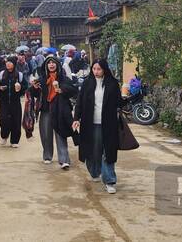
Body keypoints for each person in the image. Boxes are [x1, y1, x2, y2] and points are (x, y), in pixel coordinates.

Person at [72, 59, 123, 194]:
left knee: (108, 152)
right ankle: (95, 172)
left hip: (108, 123)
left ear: (104, 69)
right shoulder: (87, 83)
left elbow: (119, 102)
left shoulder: (112, 84)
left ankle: (109, 181)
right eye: (94, 69)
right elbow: (79, 102)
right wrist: (76, 118)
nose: (96, 71)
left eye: (99, 69)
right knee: (93, 151)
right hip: (90, 123)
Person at [28, 56, 77, 169]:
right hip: (46, 110)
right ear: (46, 66)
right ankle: (47, 156)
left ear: (57, 65)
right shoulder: (41, 79)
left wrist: (61, 89)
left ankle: (64, 159)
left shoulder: (63, 78)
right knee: (46, 134)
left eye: (53, 62)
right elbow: (34, 94)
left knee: (61, 134)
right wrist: (35, 88)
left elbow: (73, 90)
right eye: (49, 63)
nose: (51, 64)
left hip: (60, 110)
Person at [0, 56, 27, 147]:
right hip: (4, 102)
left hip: (15, 102)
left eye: (10, 62)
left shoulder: (19, 75)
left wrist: (20, 88)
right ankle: (4, 136)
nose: (8, 64)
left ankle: (14, 141)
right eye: (7, 62)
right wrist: (0, 88)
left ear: (14, 64)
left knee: (16, 121)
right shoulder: (1, 74)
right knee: (3, 119)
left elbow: (25, 86)